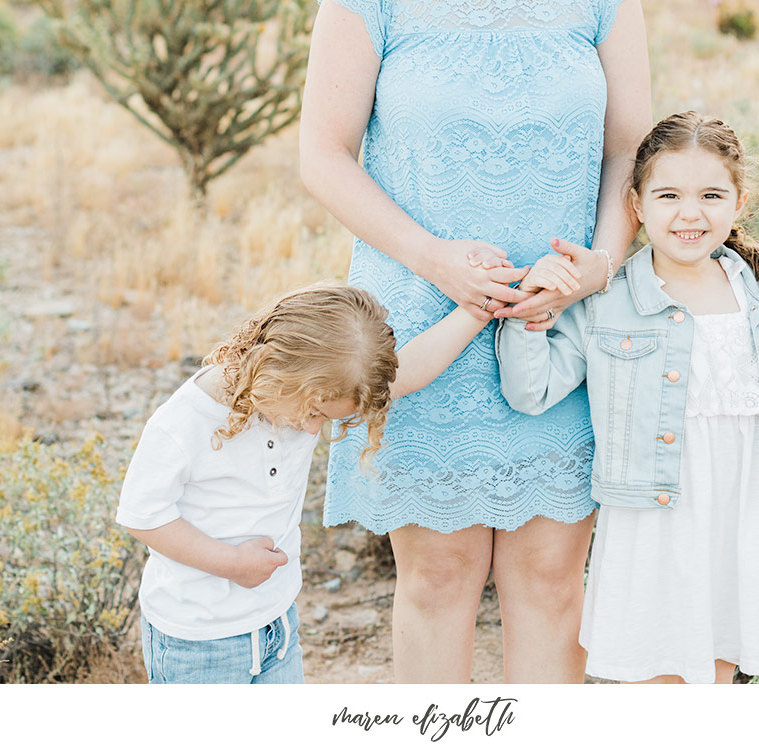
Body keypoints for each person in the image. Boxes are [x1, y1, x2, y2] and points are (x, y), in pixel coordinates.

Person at [300, 0, 652, 683]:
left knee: (552, 581)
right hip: (424, 323)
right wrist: (435, 260)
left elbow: (629, 149)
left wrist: (596, 271)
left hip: (561, 332)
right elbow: (322, 154)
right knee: (437, 579)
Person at [496, 111, 759, 684]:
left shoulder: (747, 289)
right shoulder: (609, 301)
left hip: (735, 507)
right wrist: (531, 318)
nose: (690, 213)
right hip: (651, 514)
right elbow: (531, 391)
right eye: (668, 195)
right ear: (637, 206)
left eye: (712, 194)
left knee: (719, 657)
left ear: (740, 201)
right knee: (657, 665)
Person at [116, 281, 498, 683]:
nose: (314, 428)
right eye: (314, 411)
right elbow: (143, 516)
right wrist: (230, 563)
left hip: (278, 624)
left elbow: (411, 371)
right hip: (197, 641)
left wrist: (479, 310)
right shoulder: (185, 422)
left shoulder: (299, 392)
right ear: (282, 370)